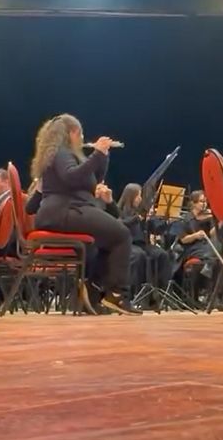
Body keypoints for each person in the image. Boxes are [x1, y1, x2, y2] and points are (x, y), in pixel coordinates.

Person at [30, 114, 140, 315]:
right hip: (64, 211)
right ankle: (116, 294)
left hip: (67, 211)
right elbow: (71, 176)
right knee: (122, 234)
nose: (82, 139)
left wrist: (103, 156)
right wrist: (96, 154)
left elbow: (94, 179)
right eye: (80, 134)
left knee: (108, 239)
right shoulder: (61, 152)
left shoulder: (62, 154)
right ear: (72, 133)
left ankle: (91, 293)